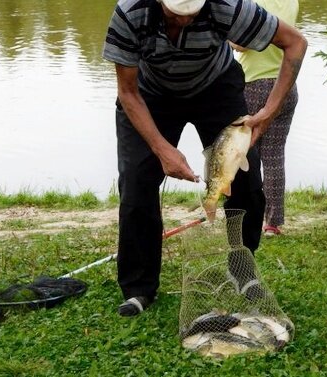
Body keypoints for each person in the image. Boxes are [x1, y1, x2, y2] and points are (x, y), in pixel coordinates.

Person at [103, 0, 307, 316]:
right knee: (136, 182)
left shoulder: (228, 6)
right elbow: (128, 92)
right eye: (175, 14)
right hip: (150, 94)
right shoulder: (131, 12)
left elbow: (296, 43)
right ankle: (138, 289)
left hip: (215, 87)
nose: (184, 21)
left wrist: (268, 112)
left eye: (191, 14)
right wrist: (161, 148)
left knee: (246, 182)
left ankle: (243, 271)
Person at [235, 0, 299, 237]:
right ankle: (272, 223)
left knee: (246, 154)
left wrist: (226, 37)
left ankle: (245, 214)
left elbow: (241, 44)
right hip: (286, 85)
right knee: (274, 156)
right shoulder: (291, 2)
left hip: (255, 84)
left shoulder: (253, 3)